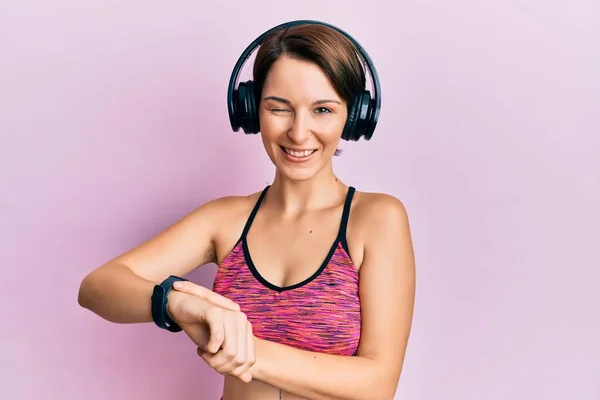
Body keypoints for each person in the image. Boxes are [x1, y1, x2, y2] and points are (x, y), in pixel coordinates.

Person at [78, 20, 416, 400]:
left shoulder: (377, 218)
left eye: (322, 110)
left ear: (353, 117)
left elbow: (377, 385)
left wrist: (240, 349)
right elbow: (97, 287)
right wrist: (179, 303)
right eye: (279, 108)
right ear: (252, 110)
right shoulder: (224, 220)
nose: (299, 132)